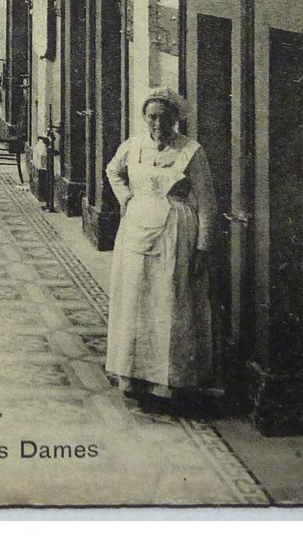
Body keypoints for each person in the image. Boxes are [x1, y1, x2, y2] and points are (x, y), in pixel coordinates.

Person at [104, 86, 216, 411]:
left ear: (176, 119)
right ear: (144, 118)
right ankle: (132, 375)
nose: (158, 124)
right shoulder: (133, 146)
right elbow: (113, 170)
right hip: (135, 232)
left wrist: (203, 248)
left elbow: (208, 205)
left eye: (164, 118)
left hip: (176, 236)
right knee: (135, 299)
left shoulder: (191, 152)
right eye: (152, 117)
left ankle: (167, 383)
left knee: (168, 302)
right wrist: (127, 198)